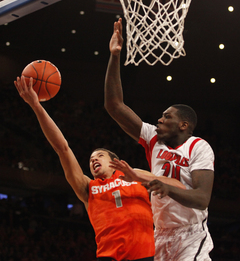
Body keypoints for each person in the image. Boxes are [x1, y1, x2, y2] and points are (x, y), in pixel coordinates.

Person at [14, 76, 184, 261]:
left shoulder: (135, 175)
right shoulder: (88, 188)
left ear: (114, 161)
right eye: (90, 159)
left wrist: (138, 176)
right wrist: (36, 106)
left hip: (145, 256)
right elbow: (62, 148)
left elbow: (178, 186)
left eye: (99, 156)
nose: (93, 160)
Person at [104, 18, 215, 261]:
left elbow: (202, 198)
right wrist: (114, 56)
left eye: (167, 117)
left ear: (183, 125)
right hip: (161, 235)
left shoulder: (198, 147)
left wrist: (166, 188)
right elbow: (114, 106)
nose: (160, 120)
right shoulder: (154, 138)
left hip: (190, 235)